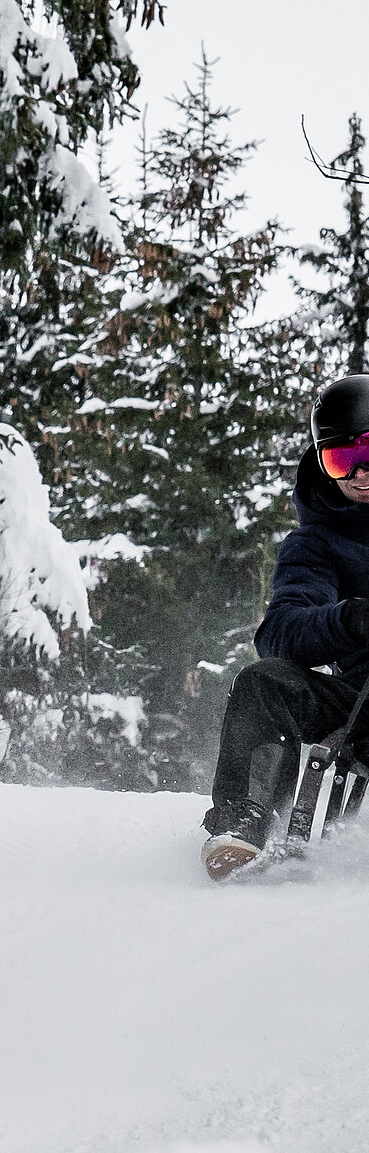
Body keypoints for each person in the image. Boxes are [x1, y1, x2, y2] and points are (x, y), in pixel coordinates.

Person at [202, 373, 369, 880]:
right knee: (264, 682)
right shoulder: (317, 543)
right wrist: (352, 617)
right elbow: (281, 630)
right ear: (322, 463)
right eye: (341, 459)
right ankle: (244, 826)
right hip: (361, 702)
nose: (360, 473)